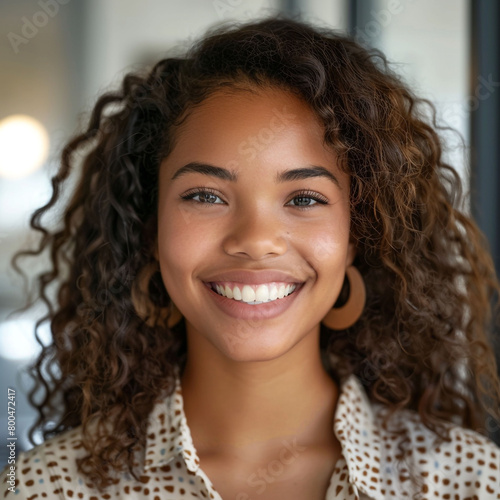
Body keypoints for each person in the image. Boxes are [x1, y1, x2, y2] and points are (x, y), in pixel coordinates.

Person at [1, 14, 500, 500]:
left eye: (305, 198)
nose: (256, 240)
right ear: (149, 229)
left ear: (355, 237)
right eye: (206, 195)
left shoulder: (468, 482)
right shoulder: (46, 489)